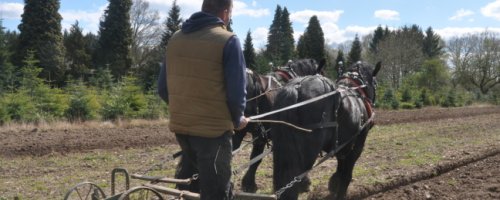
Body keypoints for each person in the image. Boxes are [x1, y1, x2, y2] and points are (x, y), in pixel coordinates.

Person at [157, 0, 249, 199]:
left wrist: (184, 109)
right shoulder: (228, 40)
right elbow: (236, 93)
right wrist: (238, 118)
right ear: (225, 13)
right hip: (213, 134)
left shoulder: (175, 39)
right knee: (217, 191)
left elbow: (163, 89)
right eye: (230, 14)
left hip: (181, 129)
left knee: (195, 181)